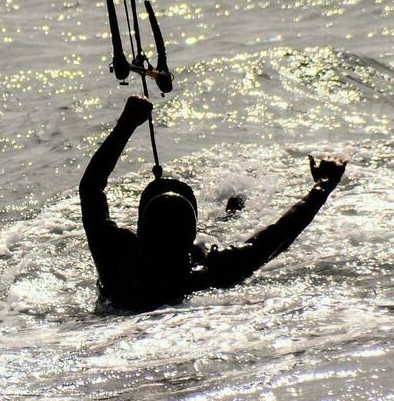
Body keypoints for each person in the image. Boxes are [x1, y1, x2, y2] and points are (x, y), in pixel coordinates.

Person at [80, 95, 346, 311]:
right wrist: (322, 186)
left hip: (125, 306)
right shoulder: (209, 271)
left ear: (139, 229)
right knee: (212, 240)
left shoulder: (115, 257)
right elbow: (276, 237)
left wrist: (126, 124)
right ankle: (230, 216)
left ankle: (229, 216)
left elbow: (90, 188)